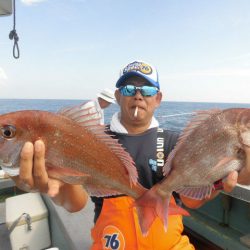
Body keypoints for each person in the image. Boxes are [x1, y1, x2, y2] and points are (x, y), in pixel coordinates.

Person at [12, 60, 250, 249]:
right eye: (129, 88)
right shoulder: (92, 140)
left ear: (158, 99)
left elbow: (187, 201)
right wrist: (57, 185)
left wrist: (217, 183)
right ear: (117, 97)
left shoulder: (175, 143)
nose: (138, 95)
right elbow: (76, 204)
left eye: (147, 89)